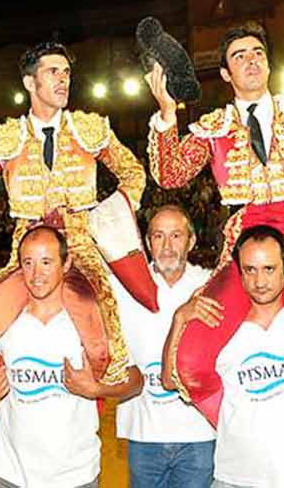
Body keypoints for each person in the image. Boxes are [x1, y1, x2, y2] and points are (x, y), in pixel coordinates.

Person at [145, 20, 284, 434]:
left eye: (257, 54)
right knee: (191, 362)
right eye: (239, 56)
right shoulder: (214, 127)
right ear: (225, 74)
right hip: (243, 248)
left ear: (268, 65)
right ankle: (243, 437)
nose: (250, 61)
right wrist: (166, 113)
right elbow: (170, 174)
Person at [0, 40, 155, 386]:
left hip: (80, 250)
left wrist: (109, 216)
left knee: (104, 353)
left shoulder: (88, 129)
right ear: (30, 82)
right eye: (53, 72)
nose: (63, 79)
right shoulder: (7, 137)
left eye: (66, 72)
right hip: (28, 256)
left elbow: (133, 173)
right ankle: (17, 389)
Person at [165, 225, 284, 487]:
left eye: (269, 269)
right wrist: (179, 319)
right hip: (235, 477)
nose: (260, 281)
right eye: (250, 270)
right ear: (239, 273)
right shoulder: (218, 327)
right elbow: (169, 381)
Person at [0, 226, 143, 488]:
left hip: (73, 475)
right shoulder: (3, 318)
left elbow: (135, 380)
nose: (36, 274)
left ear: (66, 264)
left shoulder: (91, 319)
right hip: (6, 471)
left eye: (46, 262)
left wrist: (95, 388)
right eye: (28, 263)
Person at [112, 205, 215, 488]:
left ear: (191, 241)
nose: (167, 246)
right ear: (147, 243)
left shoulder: (210, 286)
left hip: (199, 432)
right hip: (144, 434)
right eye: (158, 236)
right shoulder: (122, 286)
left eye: (176, 236)